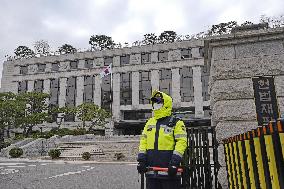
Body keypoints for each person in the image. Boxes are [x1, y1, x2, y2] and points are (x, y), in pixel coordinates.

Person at [137, 90, 187, 189]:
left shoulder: (176, 122)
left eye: (159, 102)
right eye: (155, 102)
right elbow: (143, 141)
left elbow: (181, 143)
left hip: (169, 172)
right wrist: (141, 160)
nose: (156, 104)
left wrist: (174, 162)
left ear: (166, 103)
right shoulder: (149, 122)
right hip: (152, 172)